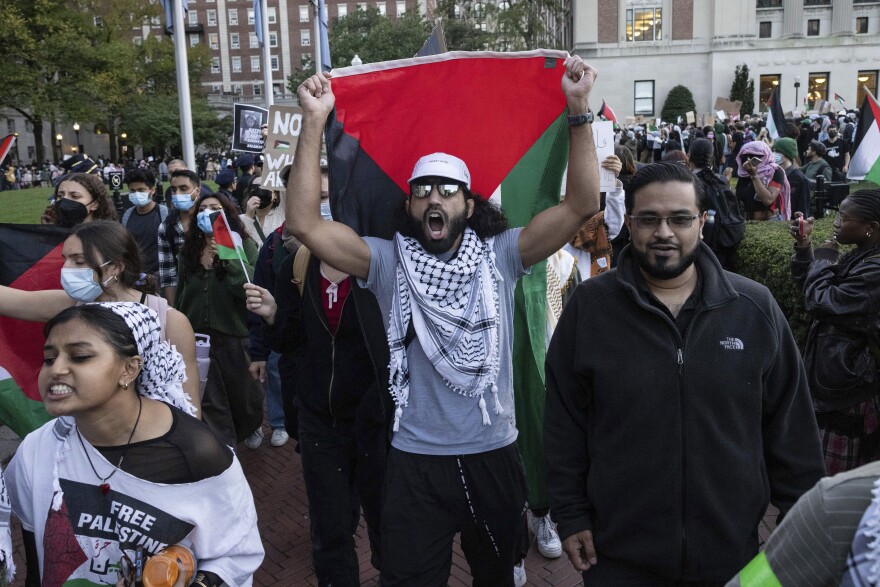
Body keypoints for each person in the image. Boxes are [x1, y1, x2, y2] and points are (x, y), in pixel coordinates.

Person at [289, 57, 600, 586]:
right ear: (409, 206)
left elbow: (582, 204)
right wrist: (315, 120)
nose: (433, 197)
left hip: (492, 453)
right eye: (422, 190)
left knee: (496, 578)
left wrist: (577, 110)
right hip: (413, 462)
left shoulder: (502, 253)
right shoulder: (386, 261)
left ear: (468, 203)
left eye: (446, 189)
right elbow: (303, 224)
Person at [544, 162, 825, 584]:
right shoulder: (589, 308)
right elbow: (564, 421)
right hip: (616, 557)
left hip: (731, 556)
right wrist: (569, 512)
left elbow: (792, 428)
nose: (664, 233)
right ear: (630, 223)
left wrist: (801, 520)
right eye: (649, 219)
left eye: (680, 219)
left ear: (703, 222)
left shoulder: (753, 308)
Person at [5, 303, 263, 587]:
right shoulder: (37, 450)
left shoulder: (198, 453)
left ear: (129, 368)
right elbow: (36, 563)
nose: (57, 369)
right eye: (49, 358)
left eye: (79, 356)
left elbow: (237, 553)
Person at [244, 241, 390, 585]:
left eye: (326, 198)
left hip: (378, 419)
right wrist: (272, 314)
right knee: (330, 526)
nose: (321, 210)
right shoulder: (298, 264)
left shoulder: (381, 259)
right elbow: (290, 342)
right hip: (319, 420)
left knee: (388, 521)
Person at [0, 221, 201, 413]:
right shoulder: (70, 305)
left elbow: (188, 404)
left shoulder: (169, 321)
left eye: (79, 261)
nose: (66, 269)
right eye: (65, 259)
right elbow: (10, 300)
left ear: (116, 267)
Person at [790, 190, 880, 476]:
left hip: (851, 388)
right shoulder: (863, 256)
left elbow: (822, 302)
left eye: (843, 216)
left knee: (833, 479)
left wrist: (825, 258)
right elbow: (813, 291)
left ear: (871, 228)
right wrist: (805, 248)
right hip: (836, 381)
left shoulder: (876, 269)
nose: (836, 222)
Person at [175, 192, 263, 447]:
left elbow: (250, 287)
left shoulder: (243, 245)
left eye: (215, 208)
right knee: (211, 401)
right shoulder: (188, 251)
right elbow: (182, 292)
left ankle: (249, 428)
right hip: (199, 339)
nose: (208, 213)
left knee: (245, 398)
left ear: (228, 214)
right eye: (202, 209)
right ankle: (225, 449)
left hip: (234, 335)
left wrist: (229, 257)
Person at [725, 460, 880, 587]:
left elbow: (797, 467)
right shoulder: (834, 504)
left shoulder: (837, 506)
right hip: (725, 552)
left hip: (726, 555)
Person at [157, 169, 201, 304]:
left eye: (183, 188)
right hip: (185, 297)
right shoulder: (166, 228)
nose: (177, 194)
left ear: (197, 191)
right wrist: (173, 309)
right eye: (174, 190)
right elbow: (168, 274)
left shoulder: (209, 220)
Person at [121, 168, 168, 279]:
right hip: (134, 275)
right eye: (132, 191)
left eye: (141, 190)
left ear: (152, 190)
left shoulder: (163, 213)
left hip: (159, 275)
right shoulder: (127, 215)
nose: (136, 194)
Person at [735, 140, 791, 221]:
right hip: (747, 221)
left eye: (752, 157)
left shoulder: (774, 171)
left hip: (770, 222)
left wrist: (754, 175)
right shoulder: (743, 173)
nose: (748, 162)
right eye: (745, 158)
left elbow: (768, 200)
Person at [52, 172, 118, 227]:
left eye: (74, 196)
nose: (64, 200)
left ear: (94, 204)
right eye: (60, 196)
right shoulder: (53, 234)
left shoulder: (108, 239)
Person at [772, 137, 811, 218]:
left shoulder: (800, 179)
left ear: (787, 155)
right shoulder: (773, 173)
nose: (774, 154)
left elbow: (803, 211)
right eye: (773, 151)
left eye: (777, 151)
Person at [239, 177, 285, 244]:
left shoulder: (282, 213)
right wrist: (248, 216)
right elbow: (241, 243)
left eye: (265, 186)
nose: (260, 191)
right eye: (255, 187)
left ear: (275, 194)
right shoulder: (240, 219)